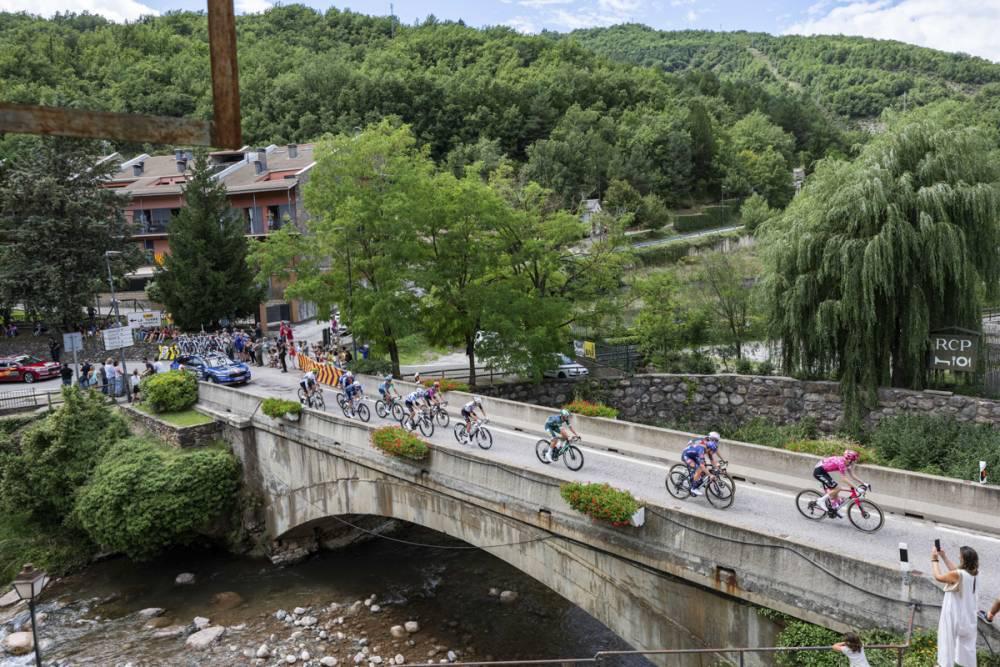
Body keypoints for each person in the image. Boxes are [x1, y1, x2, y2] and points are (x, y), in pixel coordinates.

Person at [932, 545, 978, 667]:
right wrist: (944, 557)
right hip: (968, 616)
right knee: (968, 646)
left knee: (946, 640)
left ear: (964, 559)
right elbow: (956, 572)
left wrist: (935, 559)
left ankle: (945, 665)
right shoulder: (974, 573)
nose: (958, 556)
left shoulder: (959, 575)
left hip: (954, 613)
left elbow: (938, 577)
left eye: (960, 556)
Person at [813, 450, 866, 518]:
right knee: (837, 488)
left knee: (835, 490)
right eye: (854, 460)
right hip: (819, 472)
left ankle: (834, 510)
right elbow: (843, 479)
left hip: (823, 471)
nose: (855, 462)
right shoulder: (841, 463)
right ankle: (820, 501)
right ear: (849, 459)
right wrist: (857, 488)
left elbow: (852, 475)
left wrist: (864, 483)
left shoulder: (848, 463)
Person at [681, 432, 722, 497]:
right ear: (709, 449)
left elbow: (712, 460)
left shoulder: (708, 448)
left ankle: (695, 477)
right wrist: (710, 475)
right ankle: (693, 488)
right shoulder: (701, 450)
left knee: (703, 467)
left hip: (694, 454)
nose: (712, 453)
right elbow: (702, 466)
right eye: (711, 451)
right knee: (699, 468)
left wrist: (717, 466)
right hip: (686, 456)